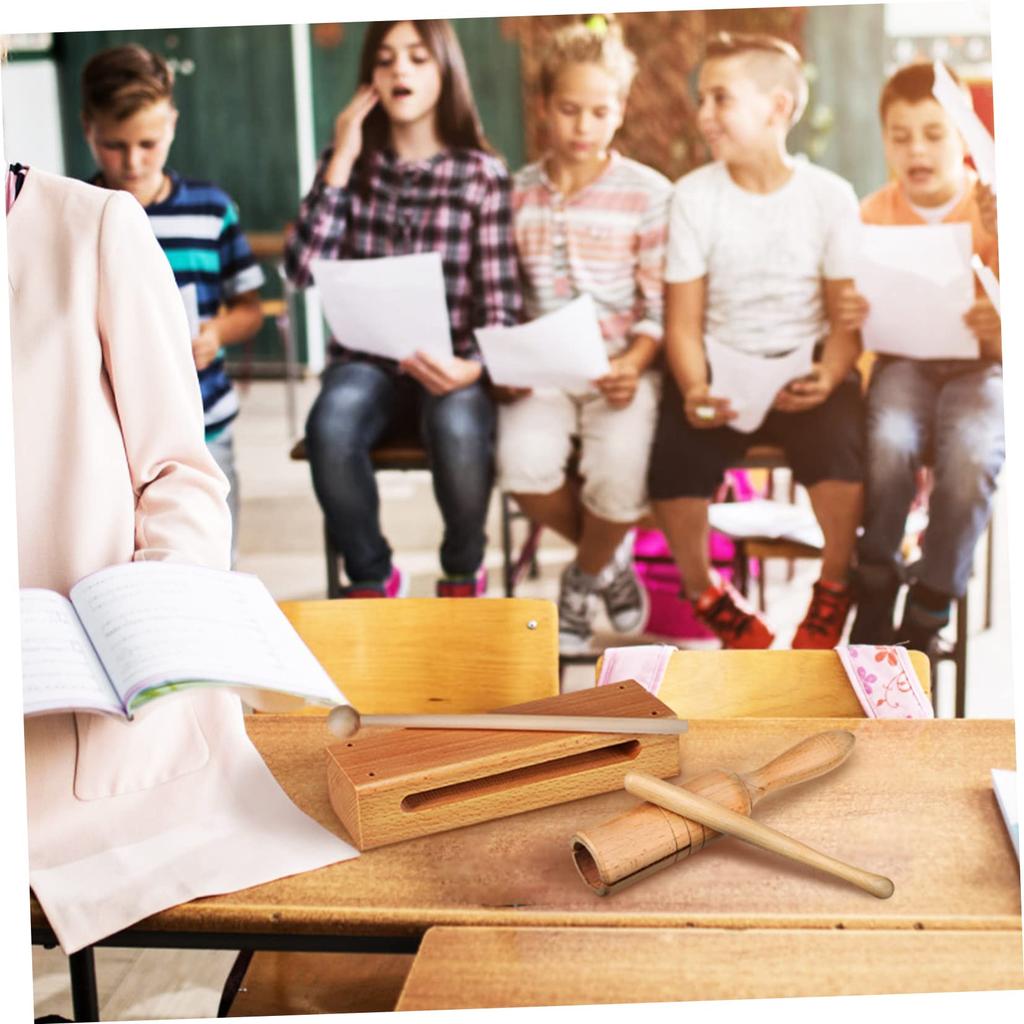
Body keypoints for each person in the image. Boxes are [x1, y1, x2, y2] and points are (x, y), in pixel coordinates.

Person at [285, 19, 521, 598]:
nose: (400, 71)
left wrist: (473, 368)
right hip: (365, 365)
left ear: (445, 71)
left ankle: (463, 572)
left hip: (451, 367)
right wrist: (341, 158)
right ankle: (372, 576)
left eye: (417, 57)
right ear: (370, 78)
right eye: (386, 59)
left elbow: (501, 305)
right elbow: (300, 270)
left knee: (458, 428)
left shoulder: (482, 176)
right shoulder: (347, 163)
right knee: (330, 426)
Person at [648, 32, 864, 650]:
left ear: (777, 108)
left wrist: (829, 373)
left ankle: (834, 586)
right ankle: (706, 593)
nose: (704, 114)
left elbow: (844, 319)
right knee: (672, 463)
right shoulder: (694, 196)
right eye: (702, 99)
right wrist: (695, 388)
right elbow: (682, 323)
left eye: (720, 98)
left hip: (805, 368)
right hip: (719, 371)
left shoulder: (829, 197)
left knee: (843, 450)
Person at [499, 18, 670, 653]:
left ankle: (581, 577)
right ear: (545, 107)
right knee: (521, 466)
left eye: (600, 112)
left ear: (619, 111)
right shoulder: (514, 195)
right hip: (542, 374)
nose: (583, 126)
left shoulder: (648, 194)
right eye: (569, 110)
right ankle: (609, 562)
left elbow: (658, 304)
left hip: (620, 369)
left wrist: (636, 362)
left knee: (620, 475)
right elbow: (503, 296)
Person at [839, 62, 1002, 653]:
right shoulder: (869, 214)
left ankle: (932, 602)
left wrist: (1002, 325)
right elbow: (851, 314)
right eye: (901, 136)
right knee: (888, 440)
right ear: (884, 140)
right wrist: (848, 310)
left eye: (934, 134)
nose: (917, 150)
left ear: (963, 135)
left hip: (981, 367)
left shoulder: (995, 210)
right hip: (902, 365)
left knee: (974, 451)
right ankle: (876, 578)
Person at [81, 44, 265, 565]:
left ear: (172, 125)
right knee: (120, 556)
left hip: (205, 424)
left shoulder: (211, 209)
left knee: (210, 555)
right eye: (114, 145)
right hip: (113, 434)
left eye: (148, 143)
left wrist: (216, 334)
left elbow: (249, 308)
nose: (133, 162)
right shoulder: (79, 213)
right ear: (88, 129)